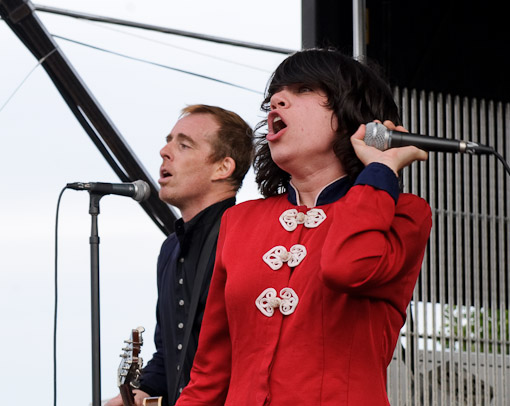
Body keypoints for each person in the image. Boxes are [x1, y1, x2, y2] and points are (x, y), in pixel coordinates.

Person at [174, 49, 433, 405]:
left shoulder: (405, 214)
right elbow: (210, 375)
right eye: (275, 96)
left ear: (352, 114)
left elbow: (348, 268)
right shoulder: (239, 221)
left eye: (304, 89)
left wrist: (381, 170)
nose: (277, 101)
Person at [106, 104, 253, 406]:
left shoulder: (248, 237)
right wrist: (140, 391)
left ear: (223, 168)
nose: (164, 151)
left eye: (184, 144)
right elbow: (169, 351)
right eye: (169, 139)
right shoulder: (170, 248)